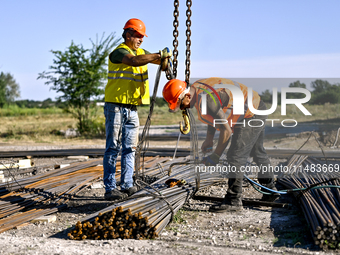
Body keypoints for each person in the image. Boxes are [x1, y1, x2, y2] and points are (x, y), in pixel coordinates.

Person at [162, 77, 279, 212]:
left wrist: (216, 156)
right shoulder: (198, 89)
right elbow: (215, 114)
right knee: (257, 151)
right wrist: (209, 138)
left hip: (251, 112)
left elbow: (226, 131)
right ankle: (271, 191)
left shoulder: (207, 99)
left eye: (181, 104)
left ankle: (233, 201)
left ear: (187, 96)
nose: (183, 108)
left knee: (235, 155)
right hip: (256, 105)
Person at [103, 18, 172, 201]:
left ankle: (127, 185)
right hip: (115, 108)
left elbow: (154, 59)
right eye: (138, 36)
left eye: (143, 36)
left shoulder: (141, 52)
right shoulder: (118, 53)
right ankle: (110, 188)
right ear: (127, 34)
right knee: (113, 148)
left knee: (130, 148)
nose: (141, 39)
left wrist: (166, 59)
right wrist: (159, 55)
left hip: (132, 110)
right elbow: (134, 61)